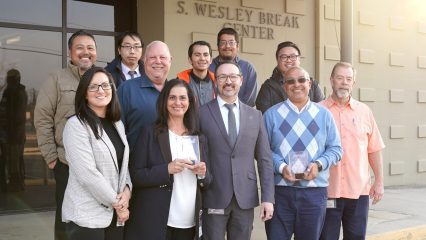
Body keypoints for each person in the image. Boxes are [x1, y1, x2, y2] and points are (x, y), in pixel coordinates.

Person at [263, 66, 342, 240]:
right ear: (284, 86)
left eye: (301, 80)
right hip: (280, 192)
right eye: (290, 81)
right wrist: (281, 166)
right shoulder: (271, 115)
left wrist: (318, 164)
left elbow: (336, 149)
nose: (296, 85)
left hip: (314, 193)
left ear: (310, 84)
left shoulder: (324, 115)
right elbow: (263, 152)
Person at [125, 79, 211, 240]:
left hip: (188, 221)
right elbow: (135, 175)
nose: (177, 102)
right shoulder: (150, 132)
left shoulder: (198, 137)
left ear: (190, 102)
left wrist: (202, 173)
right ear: (164, 101)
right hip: (157, 219)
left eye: (183, 98)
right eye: (172, 97)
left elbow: (207, 181)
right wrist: (167, 169)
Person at [199, 61, 274, 240]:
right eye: (222, 77)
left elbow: (264, 159)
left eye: (233, 77)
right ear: (215, 81)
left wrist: (268, 198)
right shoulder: (201, 113)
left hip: (245, 197)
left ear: (241, 80)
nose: (228, 81)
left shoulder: (255, 115)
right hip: (213, 194)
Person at [34, 30, 97, 240]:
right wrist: (51, 158)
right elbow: (42, 118)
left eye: (90, 48)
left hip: (98, 165)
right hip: (66, 165)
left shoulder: (104, 79)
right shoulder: (56, 79)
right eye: (80, 48)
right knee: (66, 218)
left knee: (95, 216)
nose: (85, 52)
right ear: (70, 52)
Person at [62, 67, 132, 240]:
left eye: (105, 85)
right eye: (93, 87)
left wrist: (127, 192)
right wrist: (119, 205)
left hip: (115, 217)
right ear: (85, 93)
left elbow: (123, 164)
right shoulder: (76, 125)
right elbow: (88, 174)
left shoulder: (117, 124)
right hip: (86, 217)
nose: (101, 90)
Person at [319, 62, 385, 240]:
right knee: (326, 237)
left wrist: (379, 181)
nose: (344, 83)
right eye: (340, 78)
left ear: (353, 83)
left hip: (358, 191)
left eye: (348, 79)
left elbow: (374, 149)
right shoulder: (318, 110)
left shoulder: (364, 111)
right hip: (327, 190)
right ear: (331, 80)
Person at [118, 40, 172, 150]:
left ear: (170, 60)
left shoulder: (177, 92)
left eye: (162, 57)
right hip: (137, 164)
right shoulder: (127, 90)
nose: (158, 61)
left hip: (173, 165)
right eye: (152, 57)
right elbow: (116, 133)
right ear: (144, 61)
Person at [256, 41, 324, 113]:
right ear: (277, 60)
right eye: (284, 57)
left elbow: (321, 112)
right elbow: (265, 118)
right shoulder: (268, 87)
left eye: (293, 56)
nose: (288, 60)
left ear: (299, 59)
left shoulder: (312, 84)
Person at [209, 28, 257, 107]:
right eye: (223, 43)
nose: (227, 46)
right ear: (218, 47)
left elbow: (250, 99)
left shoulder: (247, 68)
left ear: (237, 46)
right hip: (212, 115)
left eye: (231, 43)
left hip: (241, 116)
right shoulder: (209, 67)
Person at [0, 69, 28, 192]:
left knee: (14, 161)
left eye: (10, 77)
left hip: (13, 134)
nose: (8, 79)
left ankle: (16, 185)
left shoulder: (14, 92)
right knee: (14, 160)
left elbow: (15, 116)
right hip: (13, 133)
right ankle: (16, 184)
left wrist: (8, 129)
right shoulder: (14, 92)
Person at [177, 40, 216, 106]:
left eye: (205, 55)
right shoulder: (180, 81)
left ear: (211, 60)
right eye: (197, 55)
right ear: (190, 60)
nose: (202, 58)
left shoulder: (217, 82)